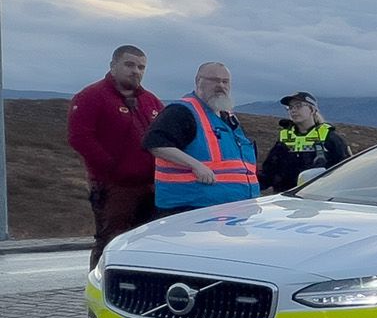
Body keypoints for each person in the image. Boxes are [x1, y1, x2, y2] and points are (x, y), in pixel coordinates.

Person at [66, 45, 165, 266]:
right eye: (129, 65)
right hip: (114, 188)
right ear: (113, 66)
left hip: (151, 186)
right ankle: (100, 289)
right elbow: (79, 138)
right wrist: (111, 169)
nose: (136, 71)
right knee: (110, 243)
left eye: (141, 67)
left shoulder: (151, 101)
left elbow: (164, 138)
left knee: (146, 243)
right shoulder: (91, 96)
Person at [142, 61, 260, 211]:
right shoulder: (181, 111)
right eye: (214, 80)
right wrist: (196, 166)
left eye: (225, 81)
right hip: (191, 208)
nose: (221, 86)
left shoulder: (228, 118)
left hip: (232, 208)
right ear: (198, 81)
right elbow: (156, 144)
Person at [258, 91, 352, 194]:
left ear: (312, 110)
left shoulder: (329, 137)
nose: (293, 110)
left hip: (319, 198)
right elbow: (269, 172)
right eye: (290, 107)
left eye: (298, 106)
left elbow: (346, 170)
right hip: (285, 199)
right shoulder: (285, 139)